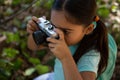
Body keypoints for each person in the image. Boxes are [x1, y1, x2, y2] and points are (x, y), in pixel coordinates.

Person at [26, 0, 117, 80]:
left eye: (65, 31)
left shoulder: (93, 53)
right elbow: (32, 47)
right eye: (53, 26)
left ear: (88, 29)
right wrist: (35, 33)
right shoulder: (60, 31)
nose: (58, 33)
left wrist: (65, 57)